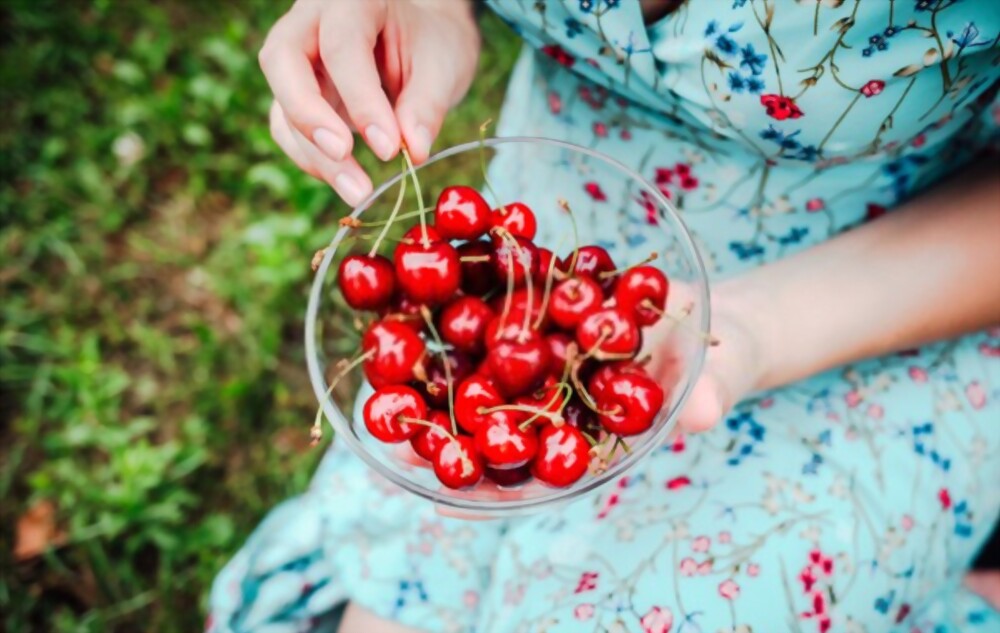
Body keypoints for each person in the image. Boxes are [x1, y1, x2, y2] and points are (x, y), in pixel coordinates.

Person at [209, 1, 1000, 631]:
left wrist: (754, 329)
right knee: (393, 609)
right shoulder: (500, 292)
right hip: (548, 247)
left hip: (885, 294)